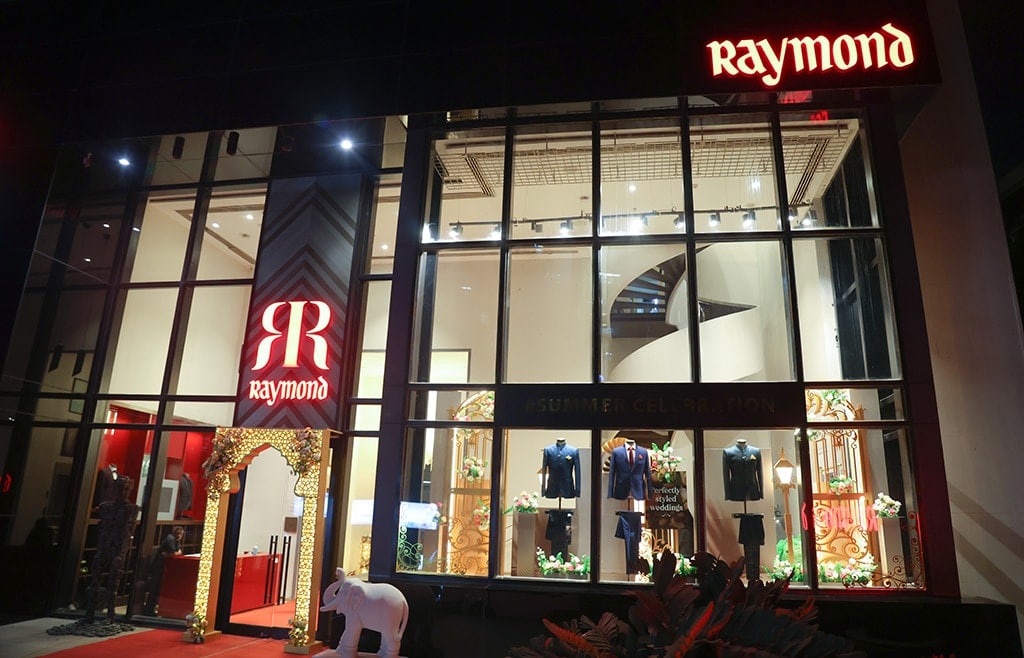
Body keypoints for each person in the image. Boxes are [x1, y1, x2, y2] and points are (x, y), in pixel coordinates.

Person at [84, 476, 139, 623]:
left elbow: (128, 532)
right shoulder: (105, 507)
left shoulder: (131, 509)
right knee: (95, 581)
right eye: (120, 489)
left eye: (126, 489)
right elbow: (103, 529)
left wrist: (122, 554)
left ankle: (110, 614)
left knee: (113, 583)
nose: (123, 492)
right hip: (104, 545)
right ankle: (90, 613)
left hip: (117, 547)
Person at [142, 525, 184, 615]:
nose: (180, 536)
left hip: (162, 568)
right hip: (158, 568)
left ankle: (150, 609)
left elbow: (176, 552)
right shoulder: (170, 539)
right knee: (155, 589)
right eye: (179, 534)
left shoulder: (175, 540)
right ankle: (148, 610)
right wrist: (175, 553)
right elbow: (174, 553)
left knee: (157, 589)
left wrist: (173, 553)